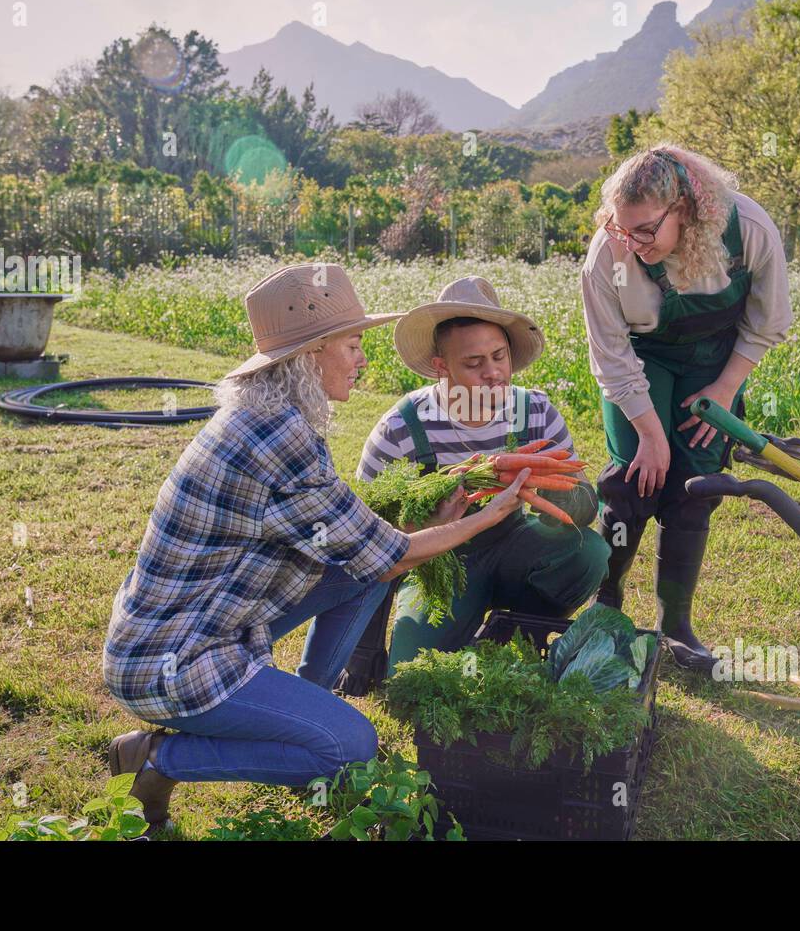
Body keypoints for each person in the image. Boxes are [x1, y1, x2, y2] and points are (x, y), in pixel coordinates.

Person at [101, 264, 532, 836]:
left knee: (360, 573)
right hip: (176, 665)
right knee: (352, 746)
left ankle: (304, 706)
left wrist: (435, 521)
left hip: (192, 633)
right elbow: (394, 555)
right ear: (310, 355)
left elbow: (362, 550)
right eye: (353, 345)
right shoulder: (281, 437)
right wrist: (492, 514)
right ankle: (159, 759)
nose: (362, 359)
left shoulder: (266, 417)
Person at [581, 144, 793, 670]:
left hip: (716, 359)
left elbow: (767, 322)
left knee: (695, 485)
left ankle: (676, 624)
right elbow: (610, 353)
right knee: (634, 478)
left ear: (685, 211)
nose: (631, 242)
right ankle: (605, 603)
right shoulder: (610, 252)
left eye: (645, 231)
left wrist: (723, 391)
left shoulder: (749, 230)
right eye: (620, 228)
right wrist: (651, 437)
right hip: (641, 358)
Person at [357, 275, 609, 671]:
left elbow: (584, 504)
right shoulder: (402, 428)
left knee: (588, 553)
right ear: (442, 367)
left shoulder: (536, 412)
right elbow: (366, 539)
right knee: (411, 671)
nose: (493, 373)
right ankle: (460, 623)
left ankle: (519, 627)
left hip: (513, 546)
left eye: (499, 356)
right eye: (473, 363)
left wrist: (549, 490)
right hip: (440, 566)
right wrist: (363, 650)